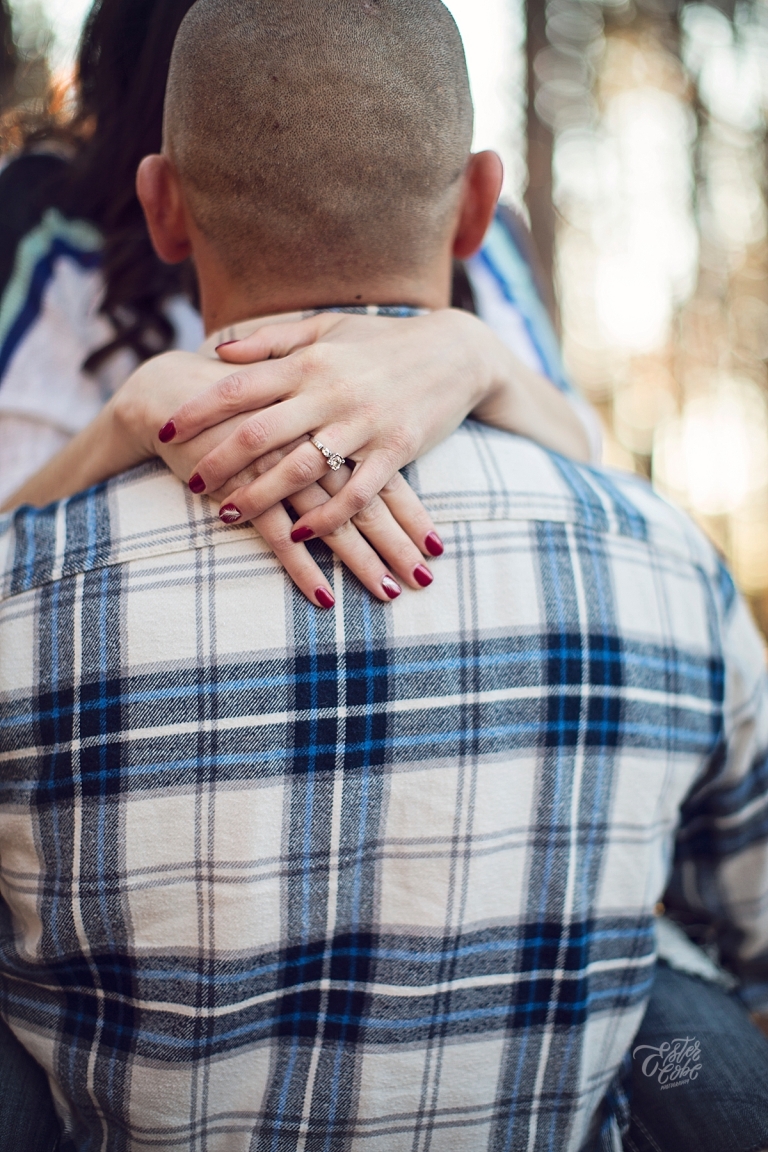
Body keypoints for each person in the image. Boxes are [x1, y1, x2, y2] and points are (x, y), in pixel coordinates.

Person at [2, 3, 768, 1152]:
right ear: (477, 202)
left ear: (164, 206)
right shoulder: (670, 566)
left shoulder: (24, 588)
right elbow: (750, 920)